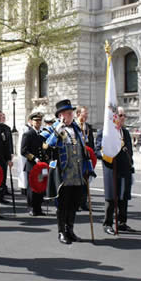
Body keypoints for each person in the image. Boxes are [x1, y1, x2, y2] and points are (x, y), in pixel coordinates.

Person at [41, 99, 92, 244]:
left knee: (73, 204)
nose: (72, 115)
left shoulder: (77, 129)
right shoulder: (52, 129)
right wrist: (58, 130)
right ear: (61, 115)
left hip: (76, 173)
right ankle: (61, 232)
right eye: (69, 113)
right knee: (62, 204)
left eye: (71, 113)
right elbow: (46, 147)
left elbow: (83, 150)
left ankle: (70, 230)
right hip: (62, 173)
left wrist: (88, 167)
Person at [95, 107, 135, 235]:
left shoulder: (125, 132)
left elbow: (129, 151)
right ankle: (107, 223)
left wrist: (131, 166)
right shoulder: (105, 132)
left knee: (124, 197)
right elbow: (97, 150)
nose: (123, 118)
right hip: (111, 169)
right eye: (121, 115)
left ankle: (122, 222)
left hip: (124, 168)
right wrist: (107, 154)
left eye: (124, 115)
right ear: (115, 117)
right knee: (111, 198)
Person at [21, 112, 47, 216]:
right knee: (32, 188)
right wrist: (34, 158)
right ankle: (32, 208)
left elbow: (45, 148)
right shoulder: (28, 134)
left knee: (40, 186)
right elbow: (23, 151)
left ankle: (38, 208)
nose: (38, 122)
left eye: (40, 120)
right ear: (31, 122)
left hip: (41, 165)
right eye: (36, 120)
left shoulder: (42, 134)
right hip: (32, 165)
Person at [76, 106, 94, 211]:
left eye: (87, 114)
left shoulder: (88, 127)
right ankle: (76, 202)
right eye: (84, 113)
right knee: (78, 181)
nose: (86, 115)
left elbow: (90, 142)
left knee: (86, 180)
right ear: (78, 114)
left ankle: (83, 202)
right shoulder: (75, 126)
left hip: (86, 159)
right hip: (77, 158)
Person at [0, 110, 13, 199]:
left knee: (4, 175)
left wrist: (11, 153)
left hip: (5, 155)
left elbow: (9, 142)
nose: (2, 118)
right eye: (0, 116)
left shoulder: (7, 128)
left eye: (3, 117)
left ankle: (2, 193)